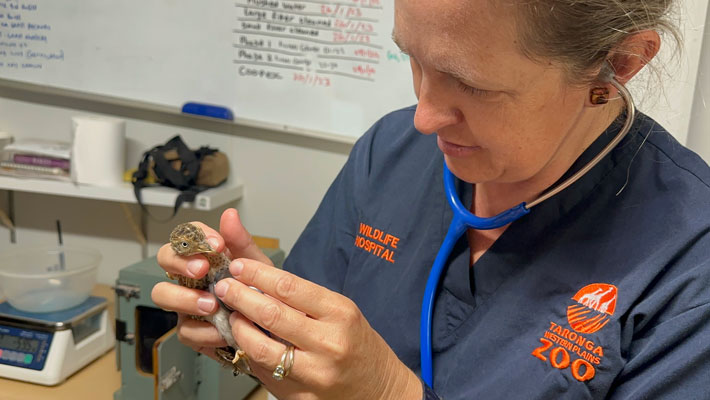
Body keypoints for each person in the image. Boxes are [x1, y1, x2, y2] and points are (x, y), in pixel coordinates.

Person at [151, 0, 710, 398]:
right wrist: (258, 330)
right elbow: (309, 374)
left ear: (620, 63)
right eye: (412, 59)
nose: (424, 116)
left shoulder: (688, 261)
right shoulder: (391, 152)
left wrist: (387, 393)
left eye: (472, 83)